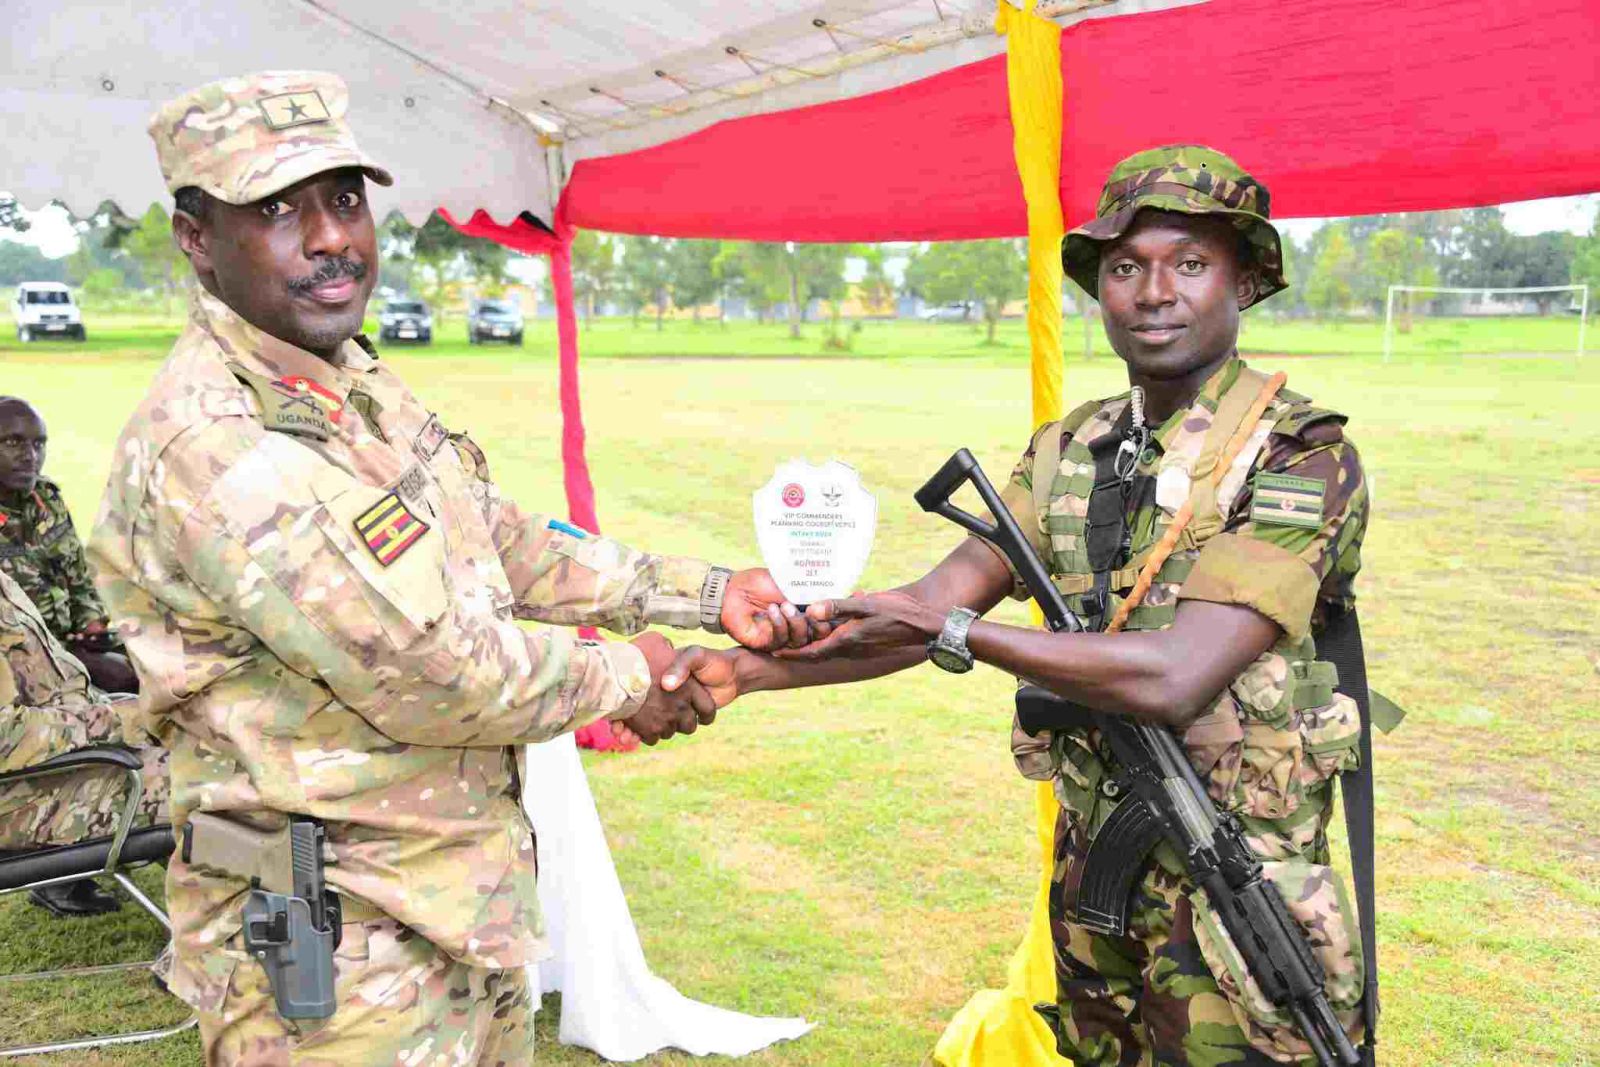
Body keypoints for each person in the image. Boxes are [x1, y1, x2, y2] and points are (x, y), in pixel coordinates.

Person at [88, 71, 808, 1064]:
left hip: (449, 907)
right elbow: (439, 672)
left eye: (343, 198)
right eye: (276, 208)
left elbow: (496, 538)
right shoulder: (213, 444)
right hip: (331, 958)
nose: (331, 236)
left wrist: (702, 589)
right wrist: (636, 673)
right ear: (195, 237)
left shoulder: (350, 381)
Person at [678, 146, 1371, 1065]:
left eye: (1189, 264)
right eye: (1126, 267)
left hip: (1231, 876)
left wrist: (955, 630)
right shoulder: (1074, 447)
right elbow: (925, 607)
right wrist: (746, 671)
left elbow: (1175, 675)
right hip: (1100, 866)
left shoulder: (1299, 459)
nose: (1154, 291)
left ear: (1244, 282)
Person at [0, 568, 167, 916]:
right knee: (203, 778)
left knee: (204, 742)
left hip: (52, 769)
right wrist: (104, 722)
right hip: (21, 798)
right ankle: (222, 950)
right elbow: (6, 737)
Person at [0, 398, 139, 694]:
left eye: (39, 444)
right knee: (123, 685)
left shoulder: (46, 499)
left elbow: (80, 579)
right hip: (18, 664)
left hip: (70, 643)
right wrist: (68, 657)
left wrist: (90, 623)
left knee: (160, 661)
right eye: (13, 442)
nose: (30, 456)